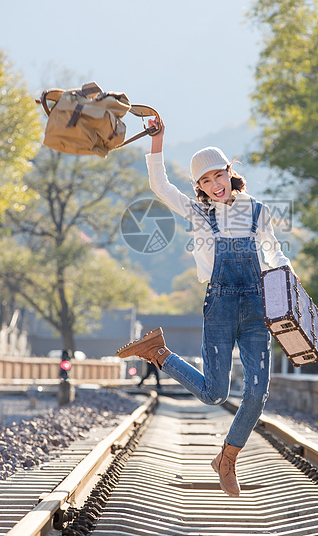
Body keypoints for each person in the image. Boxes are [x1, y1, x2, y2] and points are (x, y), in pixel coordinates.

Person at [116, 119, 295, 497]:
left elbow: (275, 252)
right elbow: (160, 186)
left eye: (220, 175)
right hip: (220, 306)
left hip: (256, 307)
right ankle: (159, 352)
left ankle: (227, 459)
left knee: (258, 392)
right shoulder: (198, 213)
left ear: (231, 173)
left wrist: (288, 285)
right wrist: (159, 140)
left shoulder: (258, 211)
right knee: (215, 393)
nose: (216, 185)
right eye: (207, 180)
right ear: (198, 186)